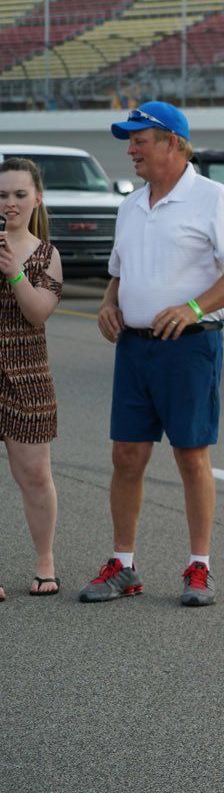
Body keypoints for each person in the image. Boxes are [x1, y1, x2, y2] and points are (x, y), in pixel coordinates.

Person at [84, 101, 224, 608]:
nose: (131, 150)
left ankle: (199, 566)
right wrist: (108, 304)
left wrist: (193, 307)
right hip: (134, 348)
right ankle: (123, 564)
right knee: (126, 455)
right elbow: (119, 273)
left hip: (189, 347)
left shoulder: (213, 198)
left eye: (139, 140)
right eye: (130, 141)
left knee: (191, 455)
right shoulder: (130, 205)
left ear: (173, 144)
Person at [0, 158, 64, 601]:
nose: (10, 203)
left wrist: (14, 272)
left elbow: (38, 312)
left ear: (36, 198)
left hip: (28, 377)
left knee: (36, 475)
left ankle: (45, 563)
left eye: (19, 194)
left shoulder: (47, 254)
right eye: (2, 195)